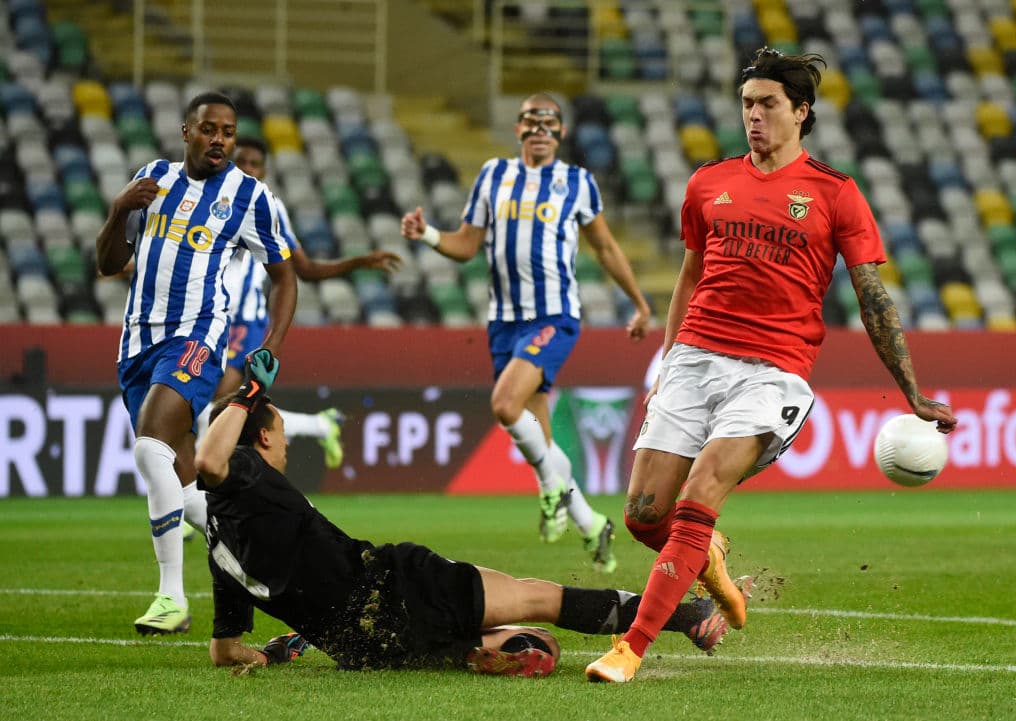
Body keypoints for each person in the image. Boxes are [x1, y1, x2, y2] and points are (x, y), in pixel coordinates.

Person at [585, 48, 959, 683]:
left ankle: (631, 649)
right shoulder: (708, 183)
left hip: (772, 371)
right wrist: (668, 364)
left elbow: (873, 298)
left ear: (801, 112)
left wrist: (913, 393)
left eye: (767, 105)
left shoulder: (835, 193)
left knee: (702, 492)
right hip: (694, 357)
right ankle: (716, 564)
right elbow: (690, 276)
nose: (753, 116)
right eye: (746, 104)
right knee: (645, 515)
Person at [195, 350, 744, 676]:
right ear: (262, 437)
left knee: (533, 645)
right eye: (283, 435)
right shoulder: (245, 471)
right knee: (539, 599)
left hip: (359, 646)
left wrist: (275, 650)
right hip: (391, 585)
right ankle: (687, 616)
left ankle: (484, 650)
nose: (288, 448)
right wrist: (249, 389)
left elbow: (225, 652)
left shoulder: (220, 545)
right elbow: (211, 461)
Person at [401, 93, 652, 574]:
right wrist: (429, 235)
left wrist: (640, 303)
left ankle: (551, 488)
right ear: (517, 129)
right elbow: (467, 243)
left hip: (553, 316)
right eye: (531, 121)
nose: (539, 128)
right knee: (540, 436)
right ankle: (591, 523)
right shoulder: (493, 176)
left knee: (504, 404)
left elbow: (605, 247)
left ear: (560, 132)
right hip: (504, 322)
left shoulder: (576, 183)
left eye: (549, 122)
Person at [95, 92, 298, 636]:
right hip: (136, 343)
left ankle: (170, 597)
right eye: (209, 129)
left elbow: (285, 276)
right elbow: (108, 263)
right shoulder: (153, 179)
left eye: (228, 132)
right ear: (187, 131)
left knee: (148, 447)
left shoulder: (249, 196)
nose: (219, 140)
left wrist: (271, 345)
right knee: (184, 490)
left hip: (197, 337)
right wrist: (120, 210)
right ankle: (278, 559)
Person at [194, 136, 401, 471]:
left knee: (217, 405)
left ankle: (202, 504)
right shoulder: (205, 200)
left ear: (264, 170)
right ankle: (319, 425)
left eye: (255, 164)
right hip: (204, 320)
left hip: (245, 321)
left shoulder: (269, 208)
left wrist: (358, 262)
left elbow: (303, 269)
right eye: (241, 161)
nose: (248, 169)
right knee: (215, 408)